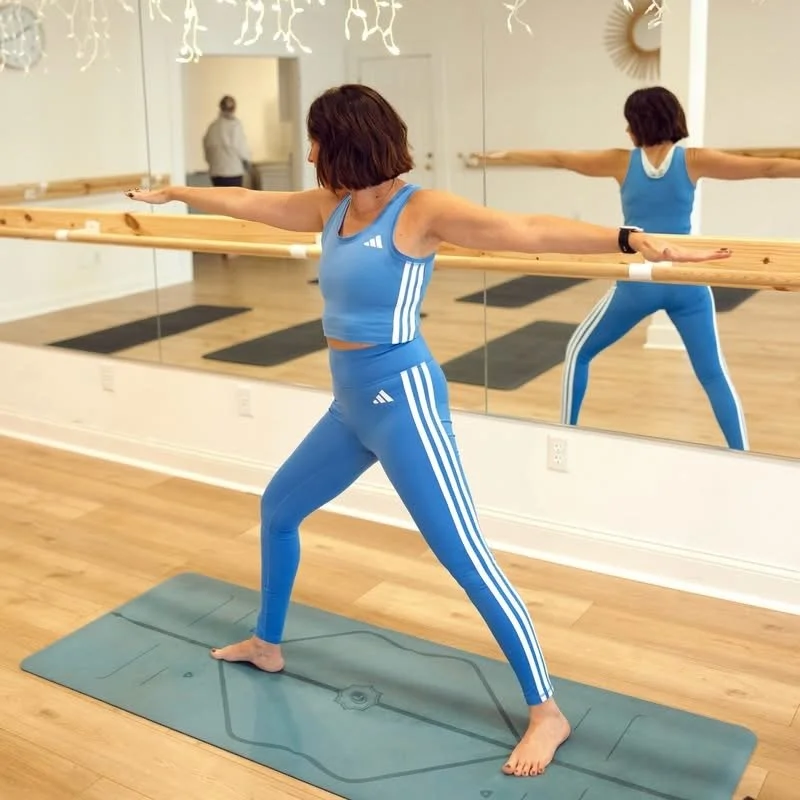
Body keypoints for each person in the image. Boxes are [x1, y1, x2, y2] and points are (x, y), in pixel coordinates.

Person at [126, 83, 730, 779]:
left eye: (317, 140)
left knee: (465, 557)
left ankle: (547, 712)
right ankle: (267, 643)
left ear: (345, 140)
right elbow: (253, 205)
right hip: (350, 406)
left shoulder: (420, 211)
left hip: (404, 401)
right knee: (278, 510)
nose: (311, 153)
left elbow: (526, 230)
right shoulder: (332, 207)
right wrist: (178, 193)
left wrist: (625, 239)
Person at [475, 86, 800, 451]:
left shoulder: (621, 162)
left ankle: (566, 436)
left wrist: (506, 155)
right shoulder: (693, 159)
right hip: (687, 282)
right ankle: (741, 453)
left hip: (639, 282)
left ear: (640, 123)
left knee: (578, 352)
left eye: (629, 122)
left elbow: (560, 159)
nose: (627, 129)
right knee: (713, 374)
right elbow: (768, 168)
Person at [202, 95, 252, 188]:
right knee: (233, 197)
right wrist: (248, 162)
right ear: (234, 108)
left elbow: (207, 150)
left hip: (216, 173)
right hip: (233, 172)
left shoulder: (212, 127)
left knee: (219, 196)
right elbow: (242, 149)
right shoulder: (235, 125)